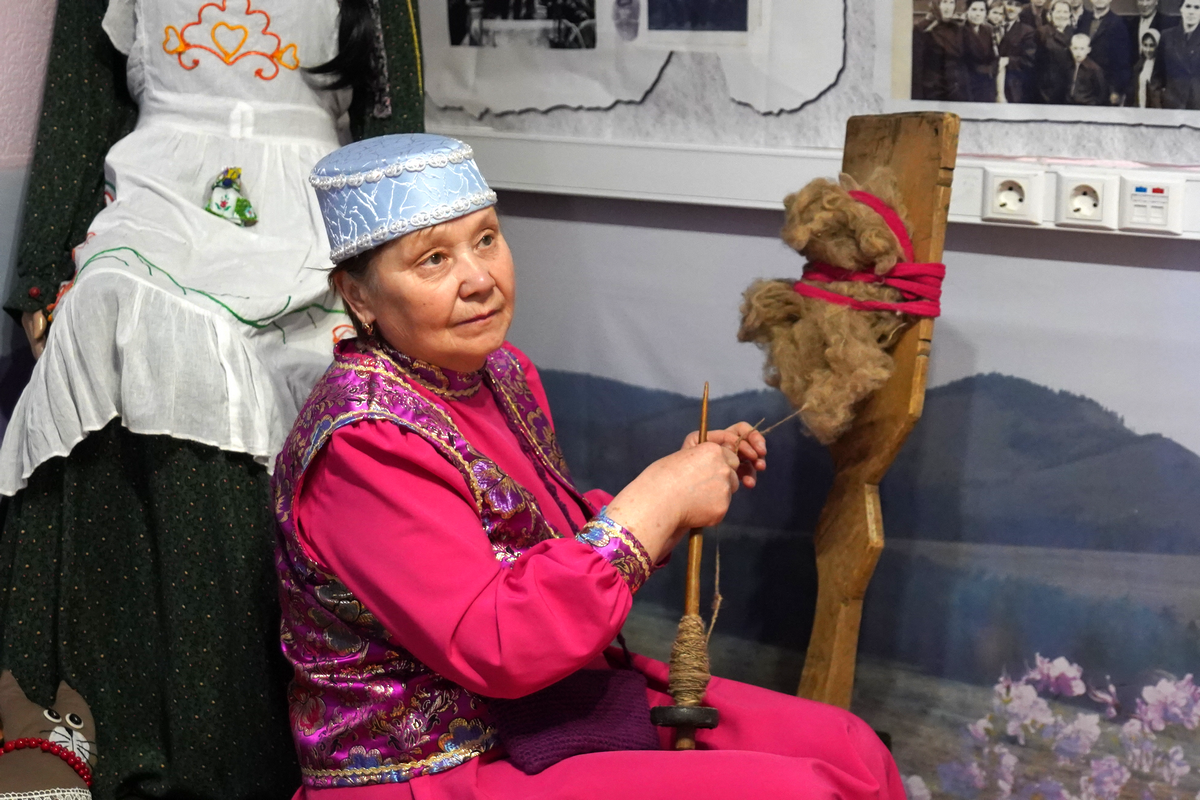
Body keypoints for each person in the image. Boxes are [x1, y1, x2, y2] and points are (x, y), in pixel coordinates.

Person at [274, 132, 906, 797]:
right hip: (439, 766)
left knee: (850, 747)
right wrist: (655, 504)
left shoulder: (498, 372)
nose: (480, 279)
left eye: (486, 239)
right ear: (359, 296)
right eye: (433, 259)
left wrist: (675, 494)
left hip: (545, 710)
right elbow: (498, 643)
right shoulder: (362, 442)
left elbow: (538, 544)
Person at [0, 0, 422, 796]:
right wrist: (38, 275)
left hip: (315, 215)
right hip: (155, 200)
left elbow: (395, 115)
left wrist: (405, 275)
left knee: (297, 372)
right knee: (120, 323)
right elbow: (79, 100)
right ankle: (93, 715)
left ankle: (251, 740)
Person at [1078, 0, 1133, 104]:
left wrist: (1116, 90)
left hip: (1106, 88)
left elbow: (1122, 61)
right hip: (1083, 87)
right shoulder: (1084, 20)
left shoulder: (1118, 24)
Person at [913, 0, 969, 100]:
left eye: (951, 3)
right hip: (932, 91)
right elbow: (917, 67)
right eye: (944, 2)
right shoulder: (923, 28)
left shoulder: (957, 28)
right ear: (936, 4)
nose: (948, 7)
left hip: (956, 90)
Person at [1159, 0, 1200, 108]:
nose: (1191, 12)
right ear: (1181, 9)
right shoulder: (1167, 36)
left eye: (1197, 7)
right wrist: (1158, 101)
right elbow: (1158, 74)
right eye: (1188, 6)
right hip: (1172, 103)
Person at [1036, 0, 1077, 103]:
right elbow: (1036, 64)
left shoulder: (1074, 33)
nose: (1061, 15)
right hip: (1046, 90)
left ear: (1070, 14)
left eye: (1065, 12)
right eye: (1058, 11)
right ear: (1051, 14)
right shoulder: (1042, 32)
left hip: (1068, 89)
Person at [997, 0, 1038, 101]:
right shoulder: (988, 27)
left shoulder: (1027, 31)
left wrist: (1008, 60)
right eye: (1009, 4)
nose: (1012, 9)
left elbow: (1028, 61)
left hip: (1012, 86)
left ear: (1021, 9)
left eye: (1017, 6)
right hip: (987, 83)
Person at [964, 0, 1000, 100]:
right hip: (967, 84)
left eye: (981, 10)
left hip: (987, 83)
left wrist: (991, 70)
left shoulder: (988, 30)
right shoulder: (960, 30)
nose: (978, 14)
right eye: (974, 9)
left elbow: (994, 57)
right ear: (967, 10)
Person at [1066, 32, 1110, 103]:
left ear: (1088, 50)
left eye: (1082, 49)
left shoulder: (1094, 69)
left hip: (1086, 104)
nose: (1078, 52)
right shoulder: (1068, 66)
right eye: (1075, 48)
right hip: (1069, 104)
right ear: (1070, 48)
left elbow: (1102, 92)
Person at [1127, 28, 1167, 106]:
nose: (1148, 50)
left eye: (1151, 45)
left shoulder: (1162, 67)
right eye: (1145, 45)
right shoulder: (1139, 66)